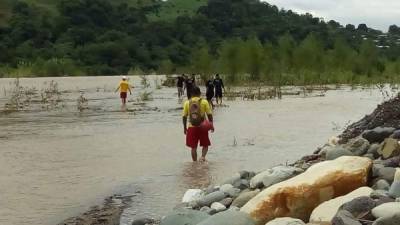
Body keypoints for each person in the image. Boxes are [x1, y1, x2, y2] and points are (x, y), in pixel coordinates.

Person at [182, 86, 214, 162]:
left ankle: (195, 164)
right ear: (199, 93)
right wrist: (211, 125)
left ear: (191, 93)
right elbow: (209, 114)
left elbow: (184, 116)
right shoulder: (204, 102)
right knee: (205, 145)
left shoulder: (187, 103)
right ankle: (202, 157)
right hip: (203, 126)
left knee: (193, 147)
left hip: (191, 127)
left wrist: (184, 128)